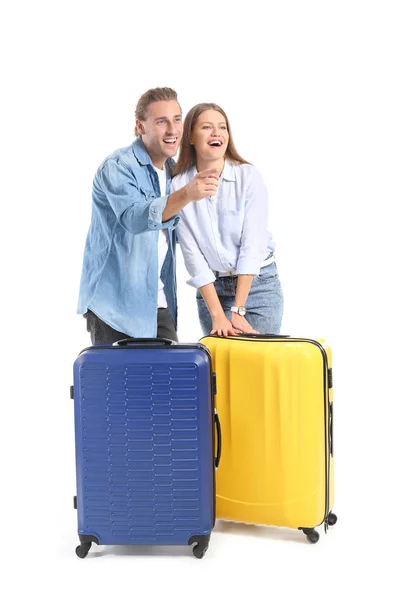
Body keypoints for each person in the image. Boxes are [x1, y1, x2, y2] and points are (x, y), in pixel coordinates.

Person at [77, 88, 219, 344]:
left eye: (177, 119)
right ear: (140, 127)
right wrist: (187, 193)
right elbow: (135, 218)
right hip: (115, 307)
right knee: (119, 384)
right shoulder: (119, 166)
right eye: (161, 121)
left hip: (159, 304)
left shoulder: (174, 173)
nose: (173, 130)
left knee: (166, 383)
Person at [171, 102, 283, 337]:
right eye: (207, 127)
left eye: (222, 127)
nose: (217, 133)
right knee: (220, 370)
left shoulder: (248, 176)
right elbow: (192, 254)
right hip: (213, 290)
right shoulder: (179, 185)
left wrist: (238, 309)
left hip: (258, 286)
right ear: (191, 136)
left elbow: (253, 245)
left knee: (258, 367)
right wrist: (217, 314)